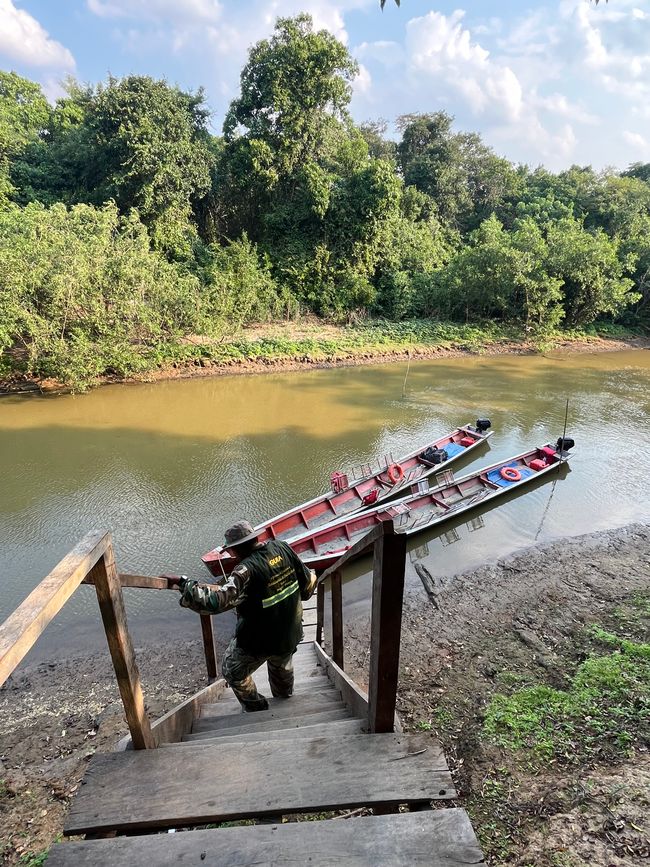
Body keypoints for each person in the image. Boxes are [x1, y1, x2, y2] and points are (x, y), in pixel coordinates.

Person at [170, 521, 317, 712]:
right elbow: (308, 586)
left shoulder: (245, 571)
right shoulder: (282, 548)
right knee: (282, 663)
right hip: (291, 631)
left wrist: (184, 584)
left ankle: (256, 707)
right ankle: (284, 697)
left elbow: (215, 602)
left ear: (234, 550)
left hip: (260, 641)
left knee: (232, 670)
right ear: (256, 538)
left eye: (231, 551)